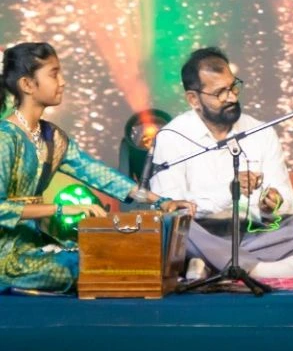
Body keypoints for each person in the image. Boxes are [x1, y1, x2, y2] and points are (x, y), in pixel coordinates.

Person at [0, 41, 193, 294]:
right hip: (7, 255)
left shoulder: (52, 137)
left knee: (103, 256)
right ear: (27, 84)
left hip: (36, 243)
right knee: (83, 265)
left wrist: (160, 201)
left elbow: (100, 175)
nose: (62, 82)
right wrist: (60, 209)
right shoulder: (5, 138)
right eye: (54, 74)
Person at [150, 46, 293, 280]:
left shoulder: (261, 132)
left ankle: (210, 263)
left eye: (233, 86)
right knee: (172, 224)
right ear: (194, 99)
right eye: (220, 93)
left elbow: (288, 205)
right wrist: (229, 192)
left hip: (254, 234)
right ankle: (257, 269)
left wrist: (272, 204)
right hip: (200, 233)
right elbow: (171, 207)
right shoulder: (171, 137)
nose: (232, 97)